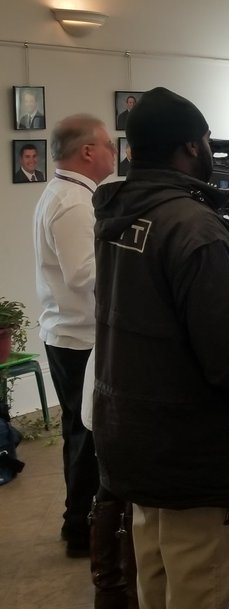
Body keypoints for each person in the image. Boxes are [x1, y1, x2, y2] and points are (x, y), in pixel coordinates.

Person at [91, 87, 229, 609]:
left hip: (139, 442)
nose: (211, 150)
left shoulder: (116, 213)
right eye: (206, 141)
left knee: (161, 602)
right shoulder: (195, 230)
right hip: (198, 459)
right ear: (189, 148)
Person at [32, 115, 117, 563]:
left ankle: (80, 522)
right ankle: (83, 528)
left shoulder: (67, 194)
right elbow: (84, 275)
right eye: (107, 144)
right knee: (87, 434)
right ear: (87, 151)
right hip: (78, 337)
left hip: (68, 331)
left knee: (80, 432)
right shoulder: (73, 202)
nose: (113, 151)